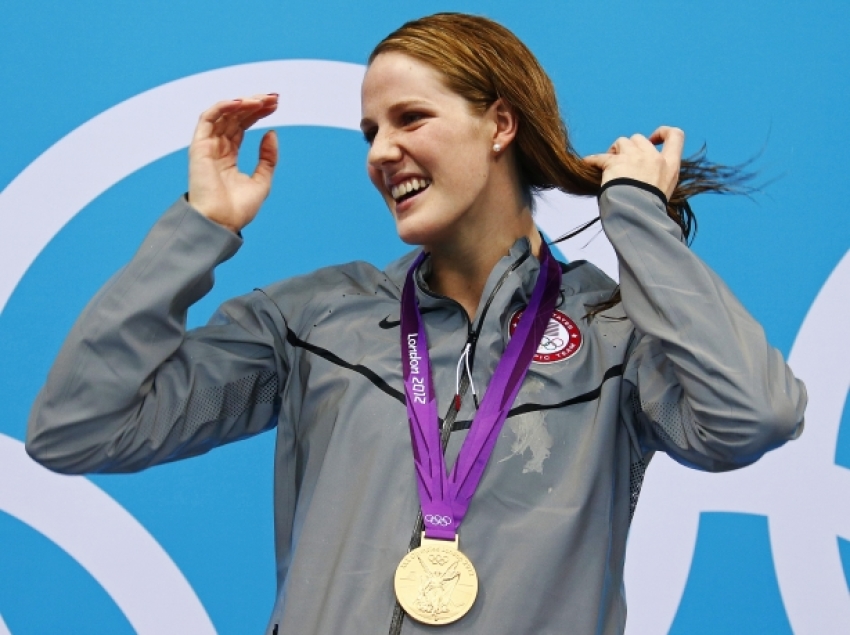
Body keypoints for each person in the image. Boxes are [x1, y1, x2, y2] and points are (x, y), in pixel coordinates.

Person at [26, 12, 806, 635]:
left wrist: (637, 219)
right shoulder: (315, 319)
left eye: (409, 119)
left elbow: (753, 415)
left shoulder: (613, 332)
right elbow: (77, 429)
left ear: (500, 124)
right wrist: (199, 226)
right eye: (371, 131)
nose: (380, 152)